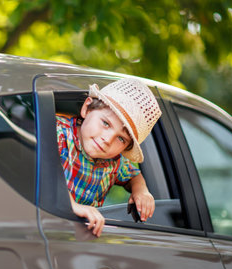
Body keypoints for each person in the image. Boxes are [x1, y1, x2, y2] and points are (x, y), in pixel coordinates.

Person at [56, 78, 162, 237]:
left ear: (126, 147)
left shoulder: (114, 162)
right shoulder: (58, 135)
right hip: (46, 228)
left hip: (77, 240)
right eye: (106, 123)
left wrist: (141, 191)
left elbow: (133, 175)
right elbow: (37, 170)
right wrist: (72, 205)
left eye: (121, 139)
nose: (108, 139)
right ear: (87, 108)